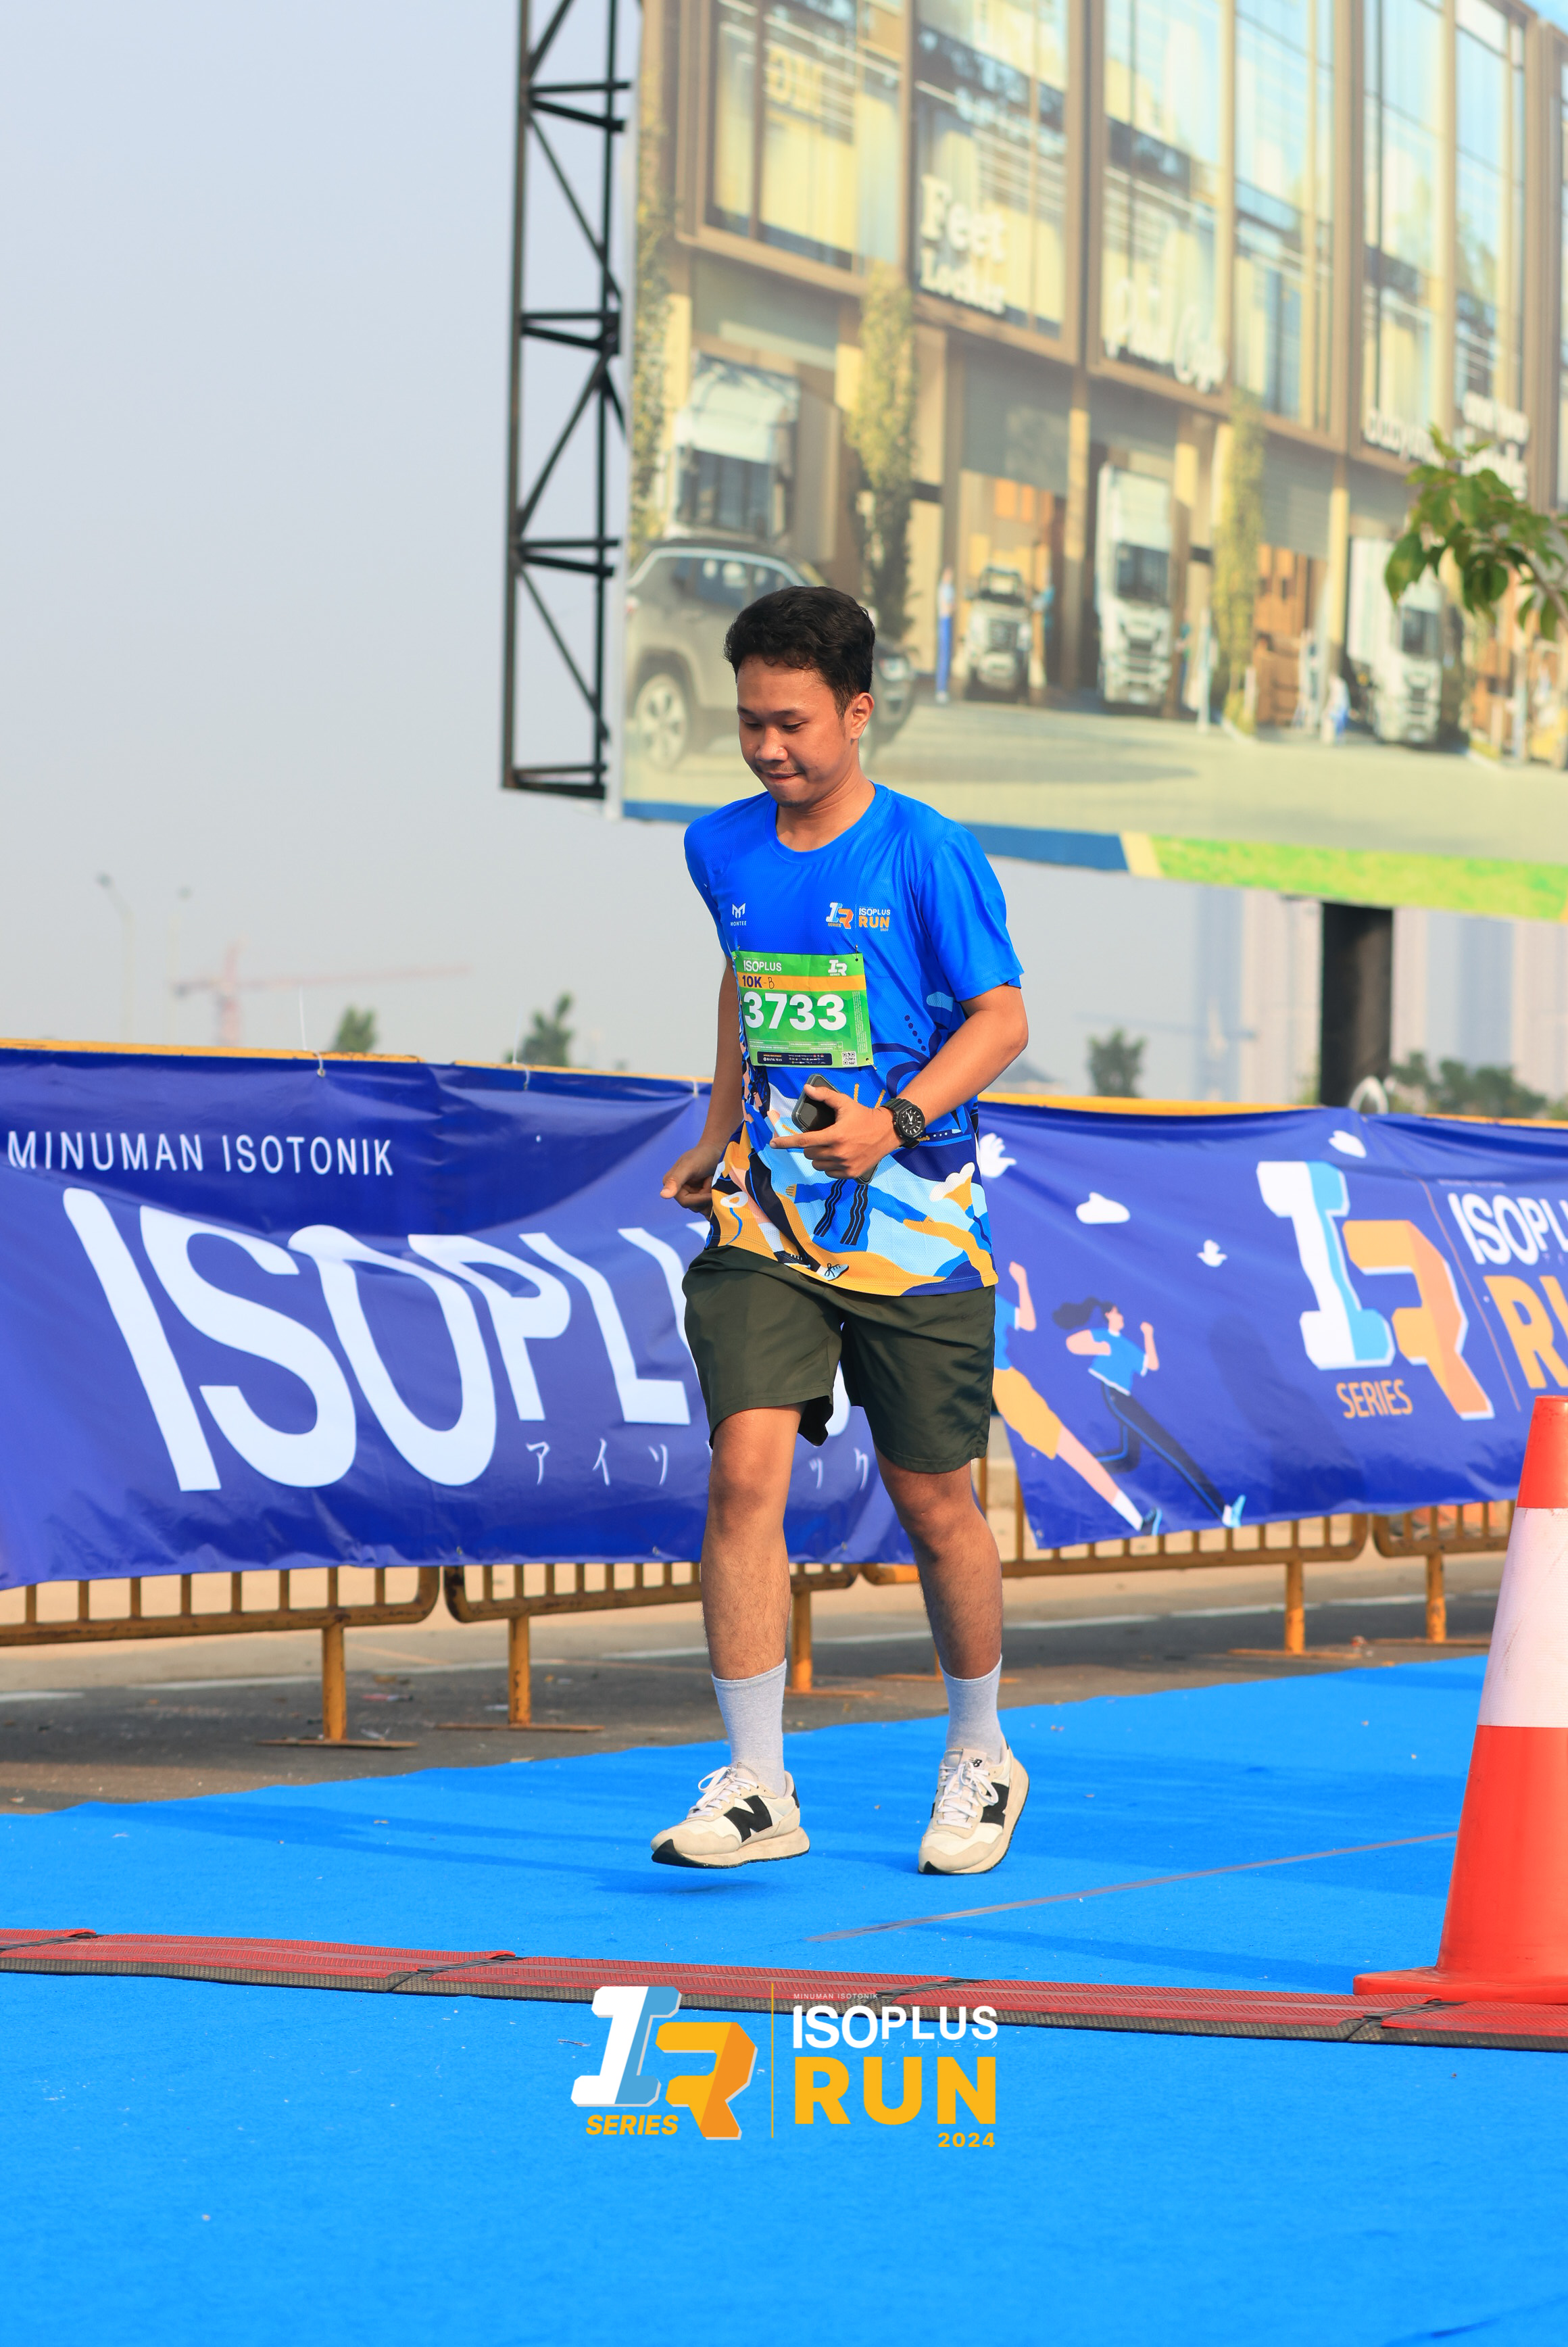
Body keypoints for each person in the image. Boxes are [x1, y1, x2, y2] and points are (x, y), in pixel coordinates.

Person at [657, 583, 1030, 1877]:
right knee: (744, 1472)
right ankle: (759, 1782)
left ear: (858, 713)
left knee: (934, 1501)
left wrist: (896, 1118)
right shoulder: (718, 847)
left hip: (919, 1222)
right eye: (750, 723)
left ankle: (981, 1751)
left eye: (794, 724)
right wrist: (719, 1129)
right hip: (767, 1216)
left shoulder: (928, 852)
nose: (768, 748)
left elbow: (1002, 1020)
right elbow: (745, 978)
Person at [993, 1263, 1160, 1537]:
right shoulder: (971, 1300)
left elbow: (1028, 1322)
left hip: (1012, 1382)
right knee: (1080, 1460)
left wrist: (1021, 1282)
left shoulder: (991, 1300)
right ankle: (1136, 1521)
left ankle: (1137, 1521)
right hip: (1004, 1386)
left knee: (1081, 1459)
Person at [1052, 1297, 1244, 1530]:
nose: (1122, 1317)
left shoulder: (1124, 1344)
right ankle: (1224, 1512)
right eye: (1118, 1313)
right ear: (1109, 1316)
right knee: (1173, 1451)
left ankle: (1076, 1467)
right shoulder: (1105, 1337)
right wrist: (1101, 1347)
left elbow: (1150, 1364)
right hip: (1117, 1397)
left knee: (1127, 1459)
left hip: (1124, 1398)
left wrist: (1148, 1335)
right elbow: (1072, 1344)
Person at [935, 564, 956, 704]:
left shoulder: (949, 588)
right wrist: (951, 606)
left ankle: (943, 689)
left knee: (946, 656)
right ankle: (941, 690)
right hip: (944, 621)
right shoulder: (944, 589)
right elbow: (947, 607)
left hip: (948, 621)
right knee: (943, 656)